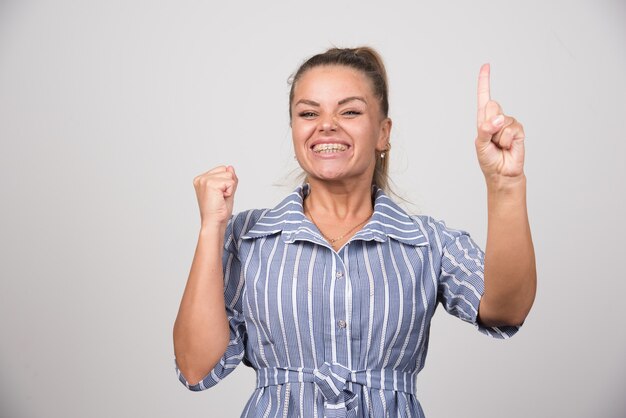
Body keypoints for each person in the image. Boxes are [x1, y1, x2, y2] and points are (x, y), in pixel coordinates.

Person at [173, 47, 536, 417]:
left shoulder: (427, 243)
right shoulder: (247, 237)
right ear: (294, 129)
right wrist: (211, 228)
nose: (326, 124)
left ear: (383, 132)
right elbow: (195, 367)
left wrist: (505, 184)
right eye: (308, 113)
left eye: (349, 111)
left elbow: (506, 310)